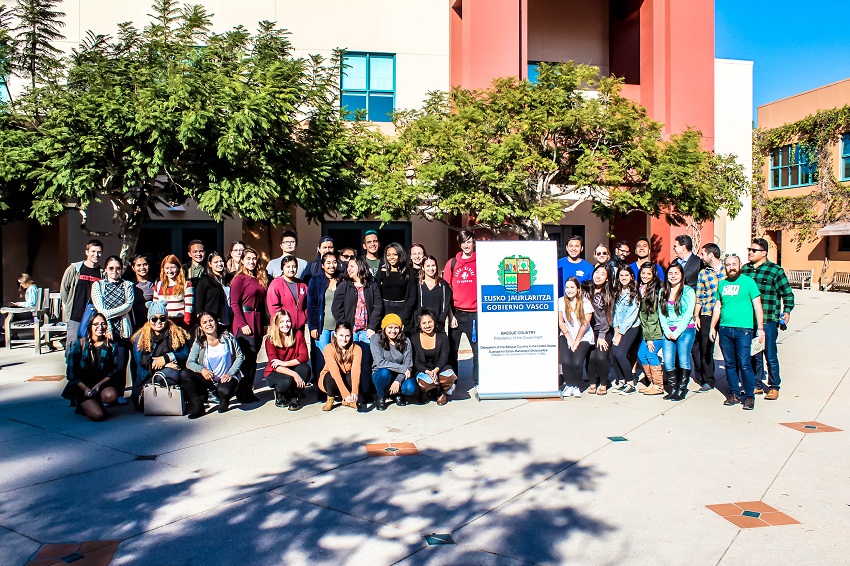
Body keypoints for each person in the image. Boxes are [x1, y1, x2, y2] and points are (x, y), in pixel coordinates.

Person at [742, 238, 795, 400]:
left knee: (770, 354)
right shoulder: (745, 270)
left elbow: (787, 293)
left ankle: (774, 385)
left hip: (769, 320)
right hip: (749, 321)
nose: (750, 252)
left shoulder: (775, 271)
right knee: (753, 353)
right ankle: (756, 384)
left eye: (754, 250)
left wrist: (787, 311)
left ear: (764, 253)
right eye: (749, 249)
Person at [710, 254, 765, 411]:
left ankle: (749, 396)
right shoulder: (722, 284)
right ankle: (734, 393)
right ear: (724, 267)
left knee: (745, 364)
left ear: (740, 265)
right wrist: (713, 327)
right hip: (725, 329)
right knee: (729, 364)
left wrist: (760, 328)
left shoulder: (748, 283)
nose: (731, 267)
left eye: (734, 264)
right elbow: (717, 307)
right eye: (728, 264)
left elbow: (757, 307)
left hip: (744, 330)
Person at [332, 257, 383, 399]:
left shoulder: (371, 285)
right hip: (350, 332)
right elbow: (336, 308)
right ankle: (349, 390)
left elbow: (378, 307)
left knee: (366, 361)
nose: (349, 268)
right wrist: (344, 327)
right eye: (348, 266)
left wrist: (372, 326)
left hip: (366, 331)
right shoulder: (345, 285)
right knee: (350, 362)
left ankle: (366, 391)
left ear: (361, 267)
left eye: (352, 266)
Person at [130, 300, 191, 410]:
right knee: (140, 400)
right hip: (146, 376)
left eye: (162, 318)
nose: (158, 321)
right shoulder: (141, 337)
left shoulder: (175, 334)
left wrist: (166, 358)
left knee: (167, 375)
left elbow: (185, 353)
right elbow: (140, 362)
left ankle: (171, 400)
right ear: (149, 320)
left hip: (167, 374)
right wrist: (164, 364)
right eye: (154, 318)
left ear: (166, 319)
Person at [62, 313, 124, 421]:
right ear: (90, 326)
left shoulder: (111, 345)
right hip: (82, 386)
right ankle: (81, 404)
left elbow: (114, 370)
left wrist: (99, 385)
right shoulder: (80, 345)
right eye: (96, 324)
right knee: (98, 415)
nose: (100, 327)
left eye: (103, 324)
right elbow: (71, 374)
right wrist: (85, 388)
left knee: (111, 395)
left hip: (100, 384)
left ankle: (96, 401)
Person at [90, 256, 134, 404]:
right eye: (111, 268)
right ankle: (105, 394)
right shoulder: (98, 285)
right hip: (104, 330)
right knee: (105, 364)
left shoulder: (127, 285)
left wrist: (105, 315)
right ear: (106, 270)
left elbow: (128, 306)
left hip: (122, 330)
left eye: (117, 268)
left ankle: (119, 393)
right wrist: (107, 326)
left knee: (121, 364)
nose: (114, 271)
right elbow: (99, 308)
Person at [181, 312, 243, 416]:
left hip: (226, 377)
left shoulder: (227, 337)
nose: (208, 324)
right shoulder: (199, 342)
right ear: (201, 327)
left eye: (211, 321)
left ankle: (224, 399)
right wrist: (202, 370)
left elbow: (240, 356)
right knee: (184, 374)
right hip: (208, 378)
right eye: (204, 322)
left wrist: (231, 373)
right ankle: (198, 405)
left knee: (225, 391)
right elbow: (190, 362)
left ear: (216, 322)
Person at [230, 247, 268, 404]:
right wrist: (242, 324)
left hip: (258, 319)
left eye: (254, 258)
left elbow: (263, 303)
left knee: (253, 359)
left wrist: (265, 323)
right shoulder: (239, 279)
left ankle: (248, 390)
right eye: (248, 258)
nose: (252, 261)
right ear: (242, 260)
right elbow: (234, 304)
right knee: (246, 359)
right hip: (245, 320)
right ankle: (241, 391)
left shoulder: (259, 278)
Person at [444, 230, 479, 385]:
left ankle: (479, 381)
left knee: (478, 351)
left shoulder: (481, 261)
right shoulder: (452, 263)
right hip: (457, 313)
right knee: (452, 351)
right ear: (460, 244)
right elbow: (446, 291)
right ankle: (452, 382)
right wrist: (451, 316)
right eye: (464, 242)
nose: (467, 245)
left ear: (473, 243)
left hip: (476, 314)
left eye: (469, 241)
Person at [658, 263, 697, 401]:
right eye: (670, 273)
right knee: (668, 361)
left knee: (683, 360)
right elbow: (661, 314)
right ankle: (673, 389)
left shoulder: (688, 291)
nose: (673, 276)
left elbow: (688, 315)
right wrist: (667, 331)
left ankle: (681, 389)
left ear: (682, 275)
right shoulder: (663, 291)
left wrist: (677, 332)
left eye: (676, 273)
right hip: (668, 331)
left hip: (685, 330)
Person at [60, 239, 105, 354]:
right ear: (87, 252)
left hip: (93, 318)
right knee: (73, 348)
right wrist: (71, 305)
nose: (96, 255)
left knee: (91, 349)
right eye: (93, 251)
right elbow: (64, 290)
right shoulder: (74, 269)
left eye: (99, 252)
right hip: (76, 316)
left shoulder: (101, 273)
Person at [693, 243, 726, 393]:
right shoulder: (703, 273)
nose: (701, 257)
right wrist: (696, 315)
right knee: (706, 347)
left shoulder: (728, 269)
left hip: (726, 314)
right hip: (707, 313)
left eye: (703, 254)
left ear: (711, 255)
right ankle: (708, 380)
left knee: (728, 347)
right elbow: (699, 296)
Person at [264, 310, 311, 411]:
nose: (286, 324)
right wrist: (294, 374)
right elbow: (275, 365)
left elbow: (304, 356)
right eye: (282, 322)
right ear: (276, 324)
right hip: (275, 371)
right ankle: (280, 393)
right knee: (286, 381)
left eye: (288, 321)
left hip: (290, 366)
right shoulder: (270, 339)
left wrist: (285, 363)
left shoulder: (297, 334)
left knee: (305, 369)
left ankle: (295, 396)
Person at [411, 309, 457, 405]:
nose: (427, 326)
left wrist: (436, 370)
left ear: (434, 322)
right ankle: (424, 392)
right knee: (426, 382)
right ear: (420, 325)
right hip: (424, 369)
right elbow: (416, 361)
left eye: (429, 322)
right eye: (424, 323)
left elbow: (444, 357)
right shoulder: (414, 338)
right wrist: (427, 372)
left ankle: (442, 393)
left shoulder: (442, 336)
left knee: (450, 377)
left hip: (440, 367)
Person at [306, 252, 341, 381]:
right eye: (328, 263)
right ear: (322, 265)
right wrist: (313, 326)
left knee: (337, 358)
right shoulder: (316, 281)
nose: (332, 265)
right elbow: (312, 305)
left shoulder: (341, 279)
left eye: (334, 262)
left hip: (338, 328)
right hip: (323, 327)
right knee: (322, 359)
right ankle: (321, 387)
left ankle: (335, 387)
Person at [557, 277, 593, 399]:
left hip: (583, 336)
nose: (569, 290)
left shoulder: (586, 302)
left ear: (578, 289)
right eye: (567, 287)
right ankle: (569, 385)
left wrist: (576, 341)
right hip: (567, 334)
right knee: (566, 361)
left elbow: (585, 324)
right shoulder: (561, 301)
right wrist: (569, 338)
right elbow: (561, 322)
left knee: (577, 362)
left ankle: (576, 386)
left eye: (572, 287)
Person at [370, 313, 415, 410]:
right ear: (384, 328)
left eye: (396, 327)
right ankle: (381, 396)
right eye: (390, 327)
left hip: (399, 374)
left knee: (410, 388)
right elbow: (380, 362)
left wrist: (398, 381)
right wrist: (403, 368)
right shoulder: (375, 339)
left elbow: (408, 364)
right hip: (381, 373)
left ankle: (397, 393)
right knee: (384, 373)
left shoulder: (406, 341)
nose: (393, 331)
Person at [610, 267, 642, 395]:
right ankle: (621, 381)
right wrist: (616, 328)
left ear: (631, 277)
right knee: (613, 353)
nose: (623, 278)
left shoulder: (634, 293)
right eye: (621, 275)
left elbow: (631, 316)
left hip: (631, 327)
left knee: (620, 354)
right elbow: (616, 313)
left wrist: (620, 333)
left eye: (626, 275)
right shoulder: (618, 291)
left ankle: (630, 383)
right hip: (619, 327)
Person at [317, 322, 361, 412]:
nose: (344, 339)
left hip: (345, 378)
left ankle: (348, 400)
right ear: (335, 334)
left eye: (347, 336)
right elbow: (335, 372)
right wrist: (345, 394)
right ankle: (330, 398)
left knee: (352, 376)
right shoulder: (328, 348)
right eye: (341, 335)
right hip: (330, 380)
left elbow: (356, 371)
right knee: (331, 376)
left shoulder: (357, 349)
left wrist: (355, 392)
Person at [584, 264, 614, 395]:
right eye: (597, 272)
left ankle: (603, 383)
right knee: (590, 357)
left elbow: (607, 317)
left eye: (603, 274)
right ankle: (592, 383)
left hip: (604, 330)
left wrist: (602, 336)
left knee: (601, 357)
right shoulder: (585, 288)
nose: (598, 276)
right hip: (587, 329)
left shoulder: (608, 294)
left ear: (607, 279)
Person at [376, 243, 419, 333]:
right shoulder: (381, 272)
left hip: (402, 310)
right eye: (388, 255)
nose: (391, 257)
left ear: (400, 255)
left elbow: (412, 296)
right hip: (385, 309)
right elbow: (377, 294)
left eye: (394, 254)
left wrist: (405, 317)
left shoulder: (409, 272)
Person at [636, 262, 665, 395]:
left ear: (654, 275)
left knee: (650, 354)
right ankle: (652, 383)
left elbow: (653, 317)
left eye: (649, 273)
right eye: (643, 273)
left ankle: (659, 386)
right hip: (646, 331)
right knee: (641, 355)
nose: (645, 276)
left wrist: (649, 338)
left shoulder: (655, 290)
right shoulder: (642, 288)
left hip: (655, 331)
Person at [266, 254, 308, 331]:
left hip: (299, 327)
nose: (291, 269)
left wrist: (304, 316)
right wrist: (283, 321)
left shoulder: (302, 285)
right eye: (288, 267)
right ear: (282, 268)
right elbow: (273, 307)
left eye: (294, 267)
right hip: (282, 327)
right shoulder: (276, 284)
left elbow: (307, 303)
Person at [153, 255, 193, 328]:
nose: (170, 271)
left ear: (178, 268)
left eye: (173, 268)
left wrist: (185, 327)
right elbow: (155, 308)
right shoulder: (158, 285)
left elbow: (188, 310)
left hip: (180, 325)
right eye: (167, 268)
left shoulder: (186, 285)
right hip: (163, 325)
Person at [193, 252, 231, 328]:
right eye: (216, 262)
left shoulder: (228, 279)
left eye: (221, 261)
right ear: (210, 264)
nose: (219, 264)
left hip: (229, 320)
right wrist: (202, 322)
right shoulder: (205, 281)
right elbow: (199, 305)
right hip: (213, 322)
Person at [418, 255, 453, 330]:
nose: (431, 268)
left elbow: (446, 305)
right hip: (422, 326)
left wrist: (440, 322)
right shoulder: (418, 284)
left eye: (433, 265)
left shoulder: (443, 284)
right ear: (423, 268)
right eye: (428, 266)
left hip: (438, 325)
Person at [127, 255, 154, 332]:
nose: (142, 268)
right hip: (136, 325)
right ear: (133, 268)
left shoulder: (155, 282)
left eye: (145, 264)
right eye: (138, 265)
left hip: (153, 322)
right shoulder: (129, 285)